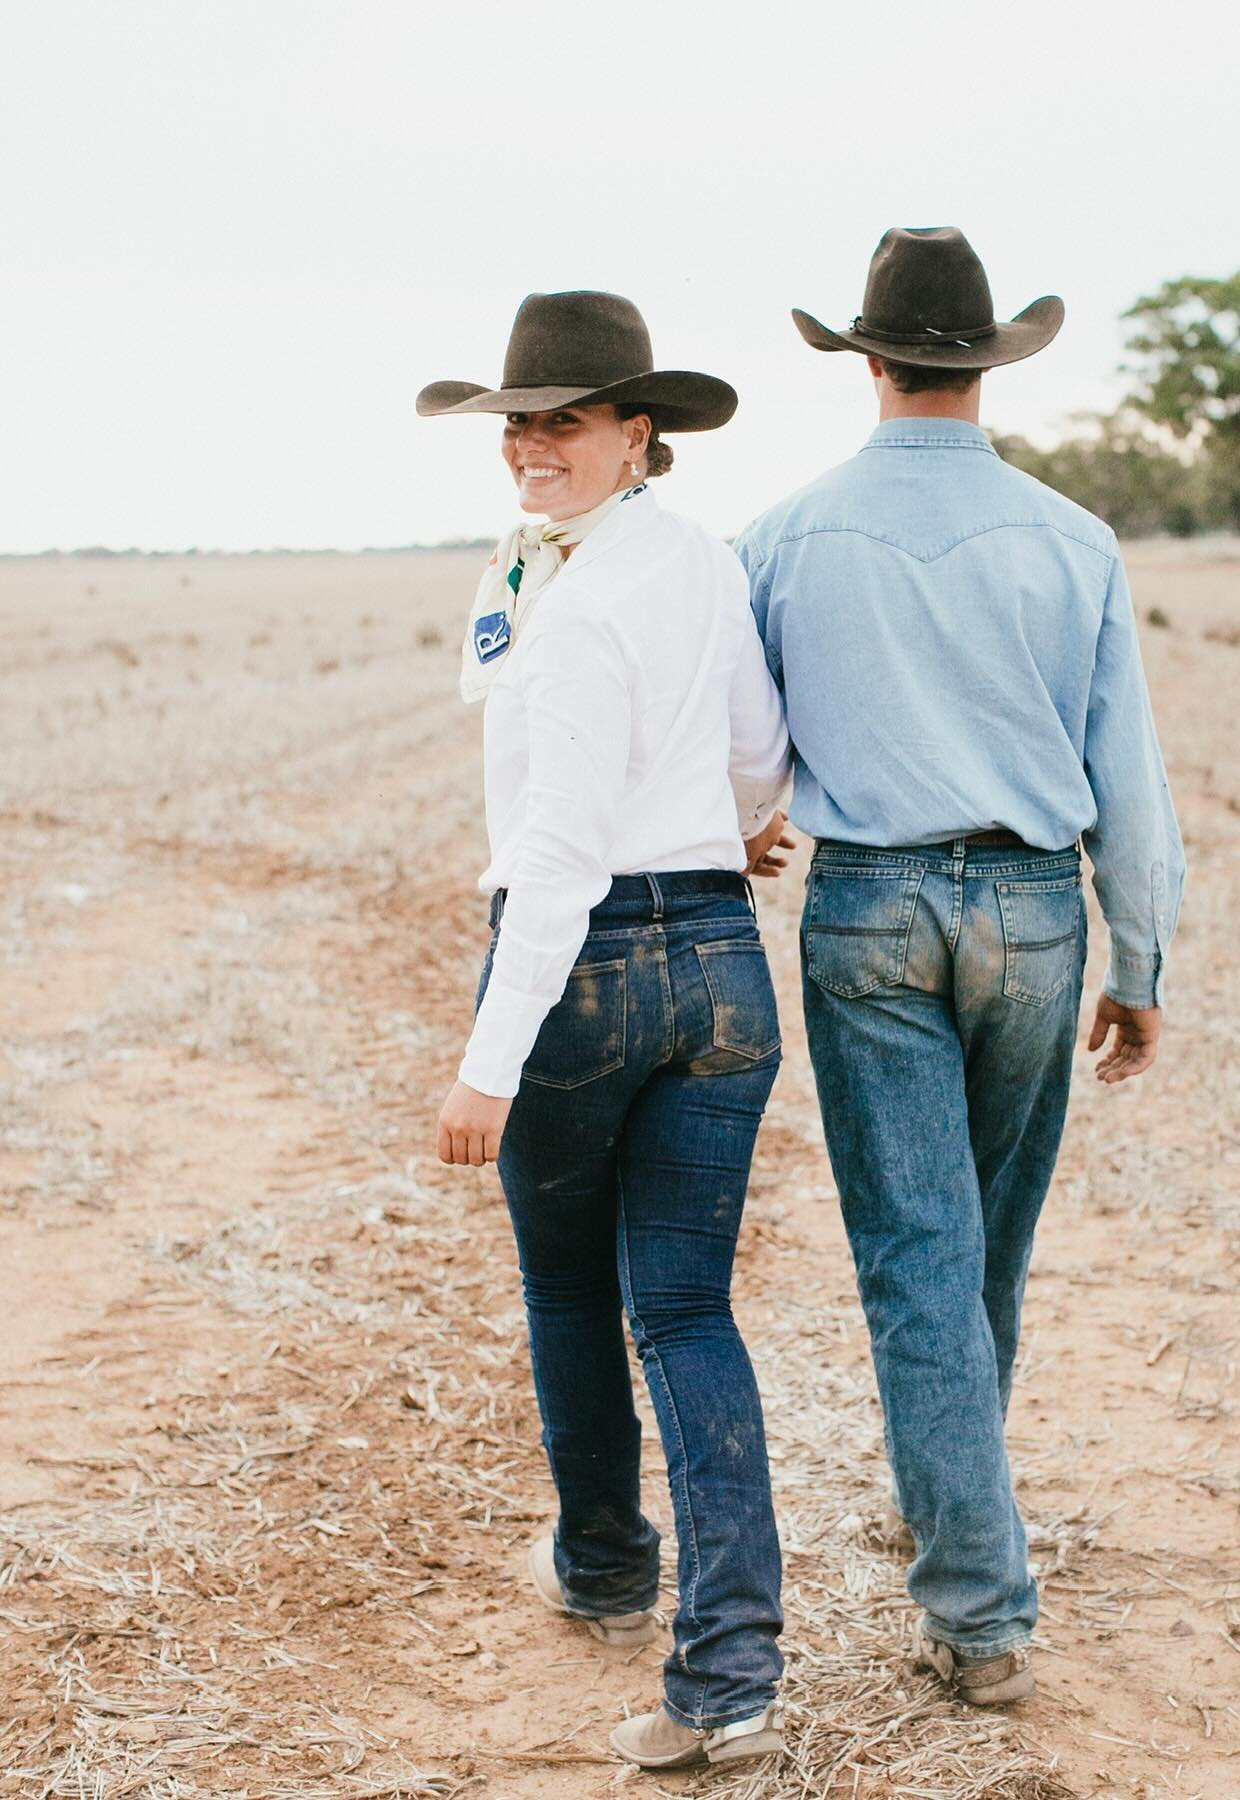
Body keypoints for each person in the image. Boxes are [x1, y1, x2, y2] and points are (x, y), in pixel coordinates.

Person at [734, 227, 1185, 1705]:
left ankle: (975, 1592)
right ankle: (962, 1533)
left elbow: (746, 741)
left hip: (868, 908)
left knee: (917, 1253)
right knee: (984, 1242)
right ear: (985, 367)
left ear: (867, 361)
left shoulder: (786, 537)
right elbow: (1130, 775)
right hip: (1038, 906)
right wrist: (1144, 955)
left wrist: (747, 822)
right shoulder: (1073, 539)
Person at [419, 290, 796, 1770]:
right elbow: (760, 745)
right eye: (518, 421)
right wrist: (733, 833)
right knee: (688, 1312)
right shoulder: (696, 564)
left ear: (640, 433)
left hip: (584, 967)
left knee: (578, 1298)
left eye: (563, 420)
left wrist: (485, 1066)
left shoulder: (568, 610)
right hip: (718, 961)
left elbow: (562, 856)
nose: (530, 445)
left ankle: (602, 1568)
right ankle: (732, 1675)